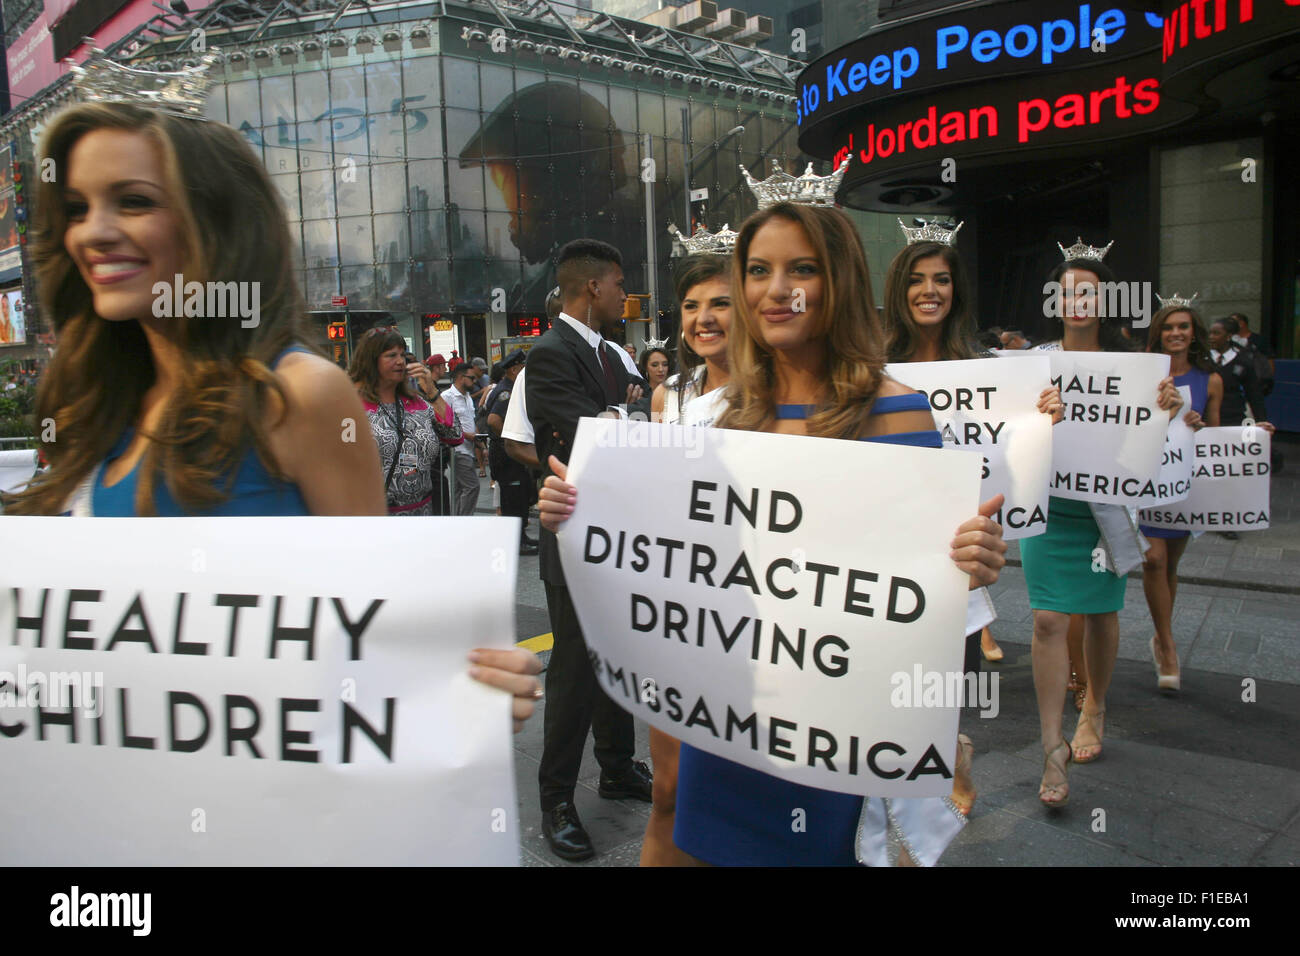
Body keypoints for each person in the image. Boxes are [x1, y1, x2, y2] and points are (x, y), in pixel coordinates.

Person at [3, 97, 541, 724]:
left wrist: (457, 686)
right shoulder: (91, 399)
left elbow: (373, 629)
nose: (92, 231)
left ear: (216, 221)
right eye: (76, 208)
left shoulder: (298, 394)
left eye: (133, 201)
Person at [538, 204, 1009, 866]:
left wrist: (970, 559)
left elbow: (921, 590)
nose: (775, 287)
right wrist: (575, 509)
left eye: (802, 268)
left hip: (831, 729)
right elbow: (677, 547)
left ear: (839, 280)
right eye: (758, 270)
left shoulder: (897, 411)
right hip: (727, 708)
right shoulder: (726, 416)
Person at [880, 227, 1064, 817]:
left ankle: (949, 748)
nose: (929, 291)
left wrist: (1043, 416)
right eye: (915, 280)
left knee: (949, 665)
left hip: (958, 541)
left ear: (956, 290)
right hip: (888, 533)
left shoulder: (987, 366)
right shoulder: (872, 362)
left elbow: (1015, 442)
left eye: (941, 279)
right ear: (898, 289)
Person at [1021, 247, 1182, 808]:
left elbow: (1151, 438)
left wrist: (1167, 406)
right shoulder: (1034, 363)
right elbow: (1008, 429)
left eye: (1088, 291)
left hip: (1103, 509)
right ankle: (1050, 743)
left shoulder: (1135, 364)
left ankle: (1095, 706)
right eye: (1066, 290)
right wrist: (1033, 413)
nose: (1077, 300)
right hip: (1050, 506)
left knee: (1100, 612)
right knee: (1045, 618)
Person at [525, 240, 652, 861]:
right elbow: (589, 433)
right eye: (619, 283)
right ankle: (556, 799)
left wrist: (622, 418)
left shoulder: (611, 352)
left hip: (620, 531)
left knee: (617, 653)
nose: (624, 294)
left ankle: (618, 766)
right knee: (574, 669)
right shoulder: (549, 352)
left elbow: (622, 421)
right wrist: (622, 418)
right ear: (592, 288)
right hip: (571, 528)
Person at [1138, 303, 1223, 691]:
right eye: (1169, 327)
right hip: (1149, 482)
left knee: (1170, 564)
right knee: (1153, 561)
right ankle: (1168, 646)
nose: (1176, 333)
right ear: (1158, 333)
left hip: (1184, 483)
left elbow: (1216, 440)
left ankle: (1160, 634)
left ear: (1193, 332)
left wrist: (1199, 425)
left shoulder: (1211, 380)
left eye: (1183, 327)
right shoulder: (1144, 373)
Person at [349, 328, 447, 516]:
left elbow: (455, 436)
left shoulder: (416, 402)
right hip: (375, 517)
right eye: (391, 355)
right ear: (371, 360)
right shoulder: (350, 406)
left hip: (422, 514)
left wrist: (432, 392)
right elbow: (343, 458)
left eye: (402, 354)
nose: (400, 361)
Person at [652, 256, 733, 426]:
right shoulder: (667, 394)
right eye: (691, 306)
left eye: (720, 304)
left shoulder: (774, 393)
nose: (703, 319)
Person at [486, 349, 536, 554]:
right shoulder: (506, 391)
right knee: (512, 498)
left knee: (520, 496)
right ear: (515, 369)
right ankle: (516, 542)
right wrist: (513, 438)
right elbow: (493, 420)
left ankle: (521, 537)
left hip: (510, 456)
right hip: (506, 456)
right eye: (523, 367)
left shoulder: (511, 387)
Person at [441, 363, 481, 516]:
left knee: (459, 489)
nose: (474, 381)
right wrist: (466, 435)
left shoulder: (467, 397)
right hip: (457, 450)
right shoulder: (447, 397)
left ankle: (457, 520)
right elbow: (445, 425)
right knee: (472, 486)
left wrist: (479, 442)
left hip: (469, 448)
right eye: (471, 378)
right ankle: (464, 520)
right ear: (460, 377)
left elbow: (471, 421)